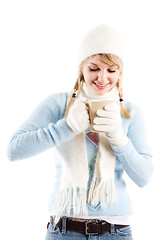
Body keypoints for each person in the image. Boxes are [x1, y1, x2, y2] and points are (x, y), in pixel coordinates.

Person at [7, 24, 153, 240]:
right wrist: (66, 127)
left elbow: (143, 177)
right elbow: (13, 150)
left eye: (111, 70)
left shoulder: (129, 113)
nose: (102, 78)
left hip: (116, 232)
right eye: (94, 68)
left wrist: (119, 140)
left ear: (120, 73)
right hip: (64, 230)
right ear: (81, 68)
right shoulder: (59, 104)